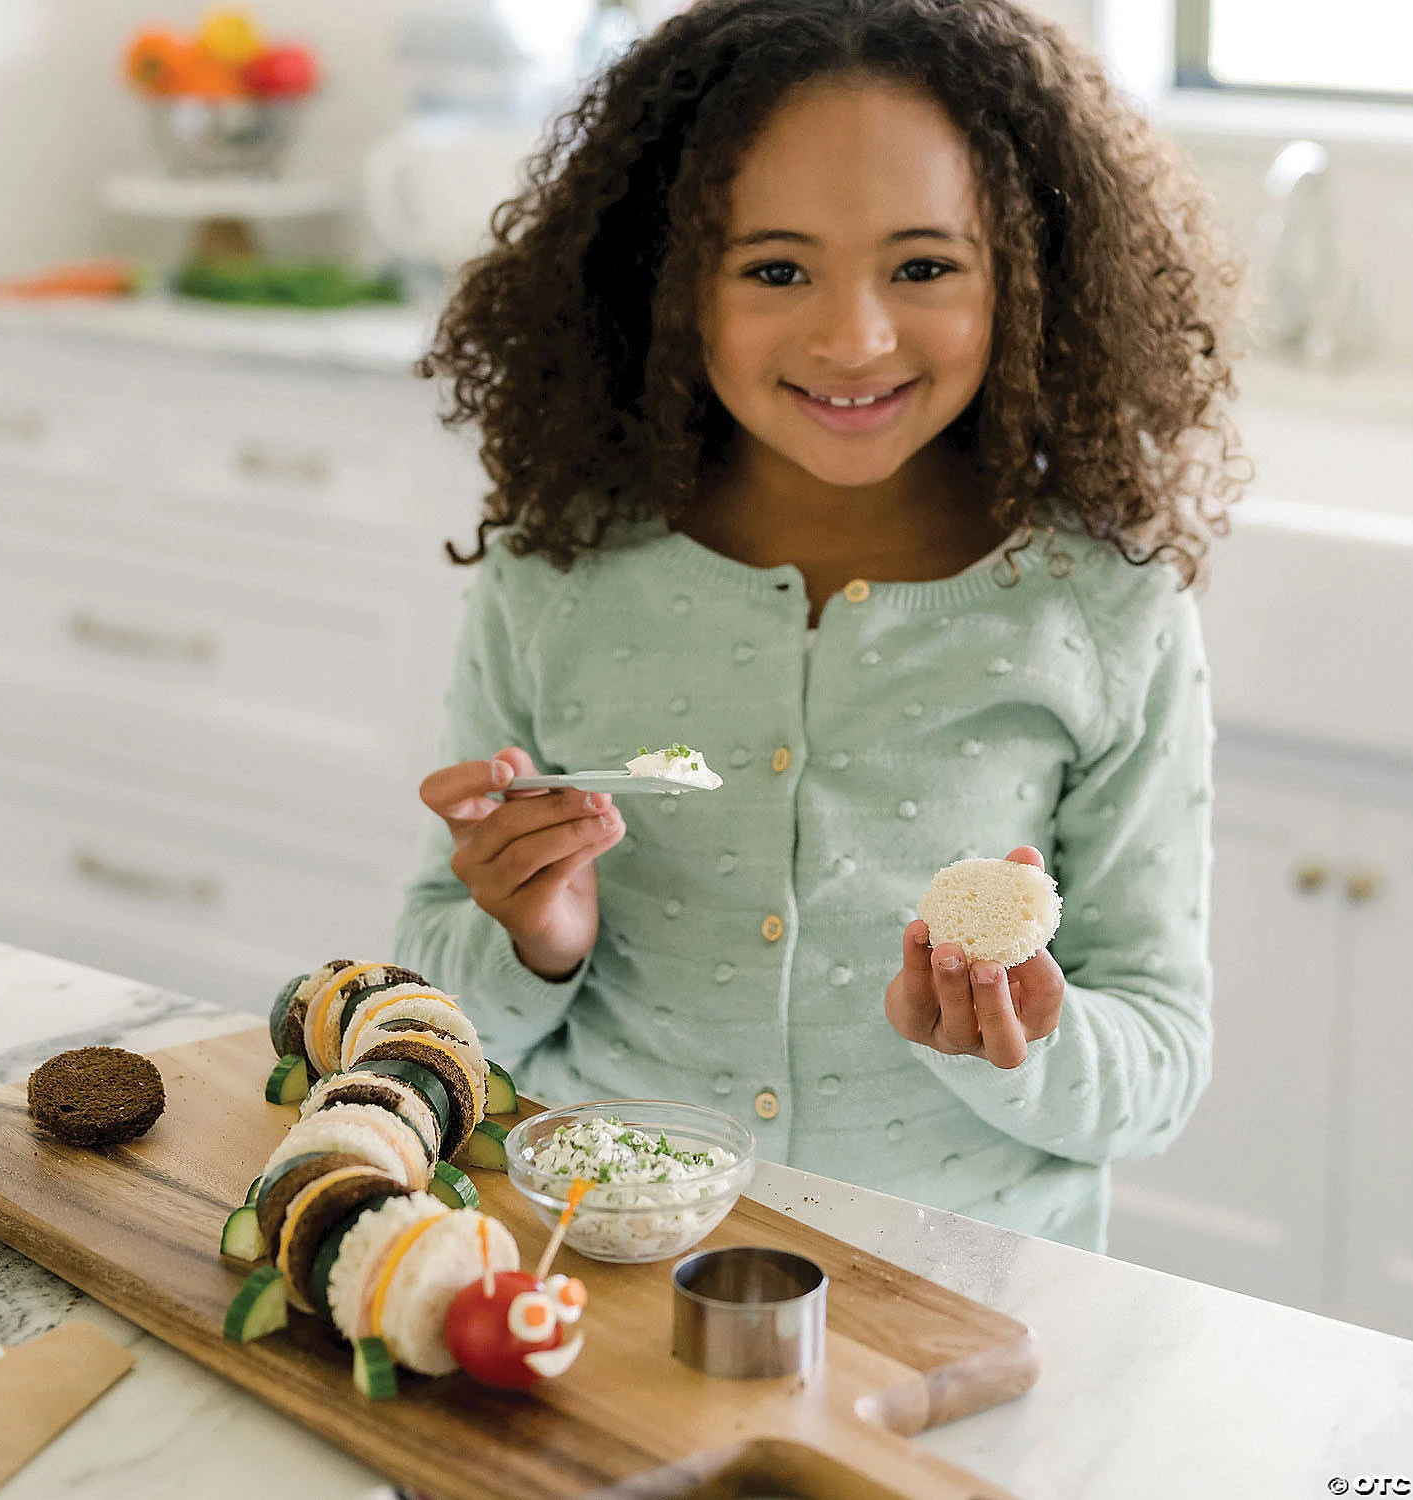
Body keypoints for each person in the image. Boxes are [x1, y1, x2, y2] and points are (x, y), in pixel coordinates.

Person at [396, 0, 1246, 1252]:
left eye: (924, 266)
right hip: (610, 1279)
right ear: (666, 284)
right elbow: (432, 998)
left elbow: (1160, 1064)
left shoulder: (1102, 607)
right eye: (776, 269)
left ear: (1029, 273)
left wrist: (1015, 1039)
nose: (854, 338)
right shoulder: (560, 567)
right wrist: (530, 939)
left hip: (961, 1309)